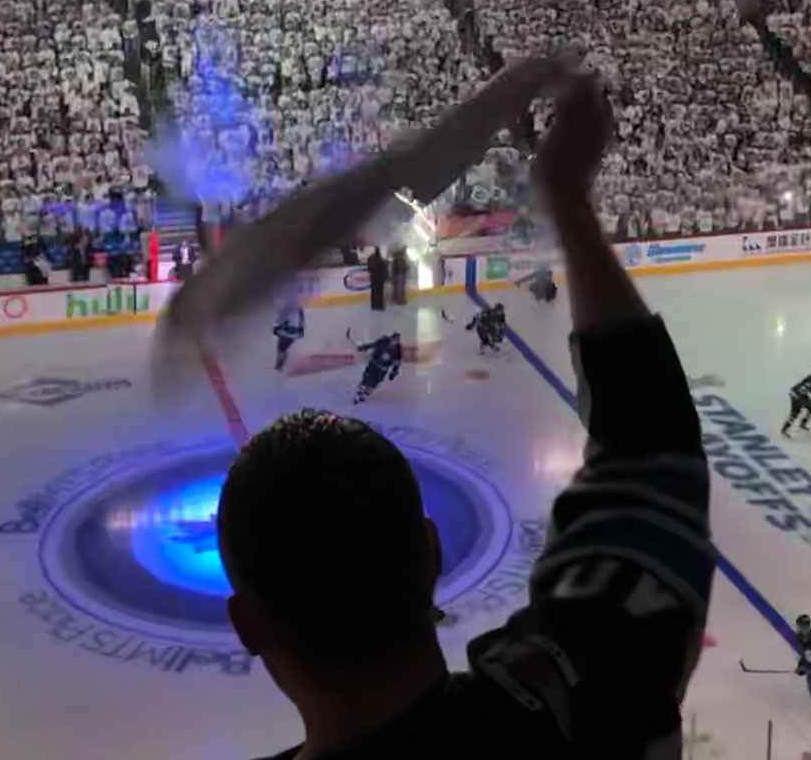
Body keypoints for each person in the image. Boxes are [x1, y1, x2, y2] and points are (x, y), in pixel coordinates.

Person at [217, 74, 712, 760]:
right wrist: (567, 200)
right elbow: (653, 455)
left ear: (246, 623)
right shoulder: (573, 710)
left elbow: (651, 456)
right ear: (431, 554)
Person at [352, 332, 404, 406]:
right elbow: (373, 345)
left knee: (375, 382)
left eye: (396, 341)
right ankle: (359, 393)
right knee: (367, 379)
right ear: (391, 339)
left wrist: (394, 372)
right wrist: (363, 347)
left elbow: (397, 362)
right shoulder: (382, 342)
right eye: (394, 340)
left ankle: (365, 394)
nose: (394, 342)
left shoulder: (397, 349)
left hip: (383, 369)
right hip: (374, 364)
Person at [782, 365, 811, 438]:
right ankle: (801, 425)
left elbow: (806, 387)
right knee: (809, 411)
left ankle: (786, 429)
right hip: (798, 395)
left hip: (796, 394)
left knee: (797, 413)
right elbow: (804, 387)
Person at [274, 299, 305, 373]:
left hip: (287, 331)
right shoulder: (298, 310)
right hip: (290, 331)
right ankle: (280, 363)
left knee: (282, 347)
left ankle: (279, 363)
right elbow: (301, 321)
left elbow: (279, 319)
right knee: (283, 348)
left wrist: (276, 328)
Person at [367, 245, 389, 312]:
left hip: (373, 278)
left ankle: (374, 305)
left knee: (374, 292)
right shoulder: (381, 259)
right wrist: (385, 277)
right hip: (380, 278)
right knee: (380, 292)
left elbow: (369, 269)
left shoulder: (370, 258)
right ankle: (379, 305)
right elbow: (384, 269)